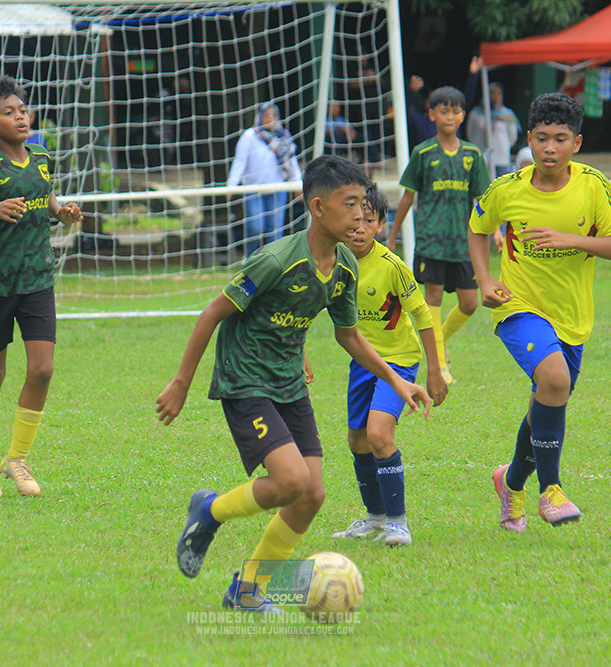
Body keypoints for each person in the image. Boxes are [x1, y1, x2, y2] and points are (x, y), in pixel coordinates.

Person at [156, 155, 432, 611]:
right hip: (245, 379)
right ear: (318, 207)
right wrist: (182, 382)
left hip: (288, 383)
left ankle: (247, 590)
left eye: (364, 204)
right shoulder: (276, 260)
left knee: (312, 495)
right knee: (290, 481)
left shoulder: (345, 264)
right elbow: (213, 313)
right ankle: (209, 510)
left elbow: (349, 336)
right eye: (351, 204)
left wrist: (398, 382)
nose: (361, 215)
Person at [467, 92, 611, 532]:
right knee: (554, 380)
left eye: (560, 139)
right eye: (542, 139)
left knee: (549, 396)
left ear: (577, 143)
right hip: (517, 308)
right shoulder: (508, 189)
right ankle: (551, 490)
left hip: (572, 318)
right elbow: (478, 227)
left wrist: (569, 239)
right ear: (529, 140)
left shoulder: (594, 186)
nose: (550, 149)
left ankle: (510, 482)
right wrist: (484, 280)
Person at [0, 76, 83, 497]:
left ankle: (18, 459)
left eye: (22, 109)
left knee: (43, 368)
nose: (20, 117)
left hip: (37, 279)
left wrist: (63, 212)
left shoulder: (43, 156)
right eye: (8, 113)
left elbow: (47, 199)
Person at [330, 184, 446, 547]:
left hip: (399, 363)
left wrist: (434, 369)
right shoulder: (333, 262)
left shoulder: (391, 266)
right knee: (358, 440)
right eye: (355, 220)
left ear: (380, 224)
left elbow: (423, 315)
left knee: (379, 435)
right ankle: (376, 517)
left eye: (369, 220)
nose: (360, 227)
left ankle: (399, 523)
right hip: (361, 361)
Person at [385, 86, 492, 386]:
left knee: (470, 303)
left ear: (463, 115)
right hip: (431, 240)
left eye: (455, 111)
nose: (449, 116)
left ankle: (439, 337)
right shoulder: (423, 153)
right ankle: (441, 366)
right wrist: (393, 235)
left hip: (464, 243)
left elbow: (483, 201)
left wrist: (495, 232)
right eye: (443, 110)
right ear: (432, 115)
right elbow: (408, 196)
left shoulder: (472, 155)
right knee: (432, 297)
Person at [227, 102, 302, 258]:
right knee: (255, 227)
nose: (269, 118)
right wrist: (231, 185)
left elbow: (291, 160)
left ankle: (275, 261)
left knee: (275, 229)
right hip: (253, 189)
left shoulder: (283, 136)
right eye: (266, 114)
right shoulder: (250, 136)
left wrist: (297, 182)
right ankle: (251, 259)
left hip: (277, 189)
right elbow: (239, 161)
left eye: (272, 115)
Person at [467, 82, 520, 177]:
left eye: (498, 93)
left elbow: (512, 136)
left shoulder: (507, 114)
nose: (495, 96)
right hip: (482, 155)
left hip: (501, 157)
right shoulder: (476, 113)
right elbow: (471, 133)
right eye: (492, 92)